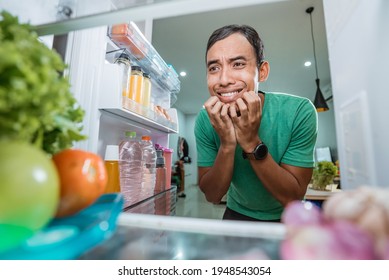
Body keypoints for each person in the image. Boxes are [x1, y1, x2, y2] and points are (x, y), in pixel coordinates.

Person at [194, 24, 318, 222]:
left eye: (238, 64)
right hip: (236, 212)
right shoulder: (205, 119)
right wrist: (227, 145)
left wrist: (251, 141)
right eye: (214, 68)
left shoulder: (299, 111)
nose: (224, 79)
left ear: (262, 71)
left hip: (287, 217)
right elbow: (212, 195)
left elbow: (293, 197)